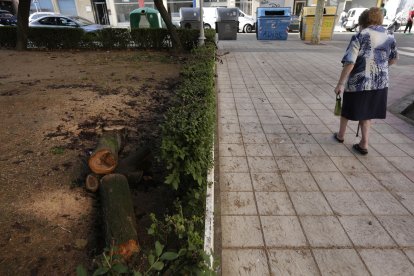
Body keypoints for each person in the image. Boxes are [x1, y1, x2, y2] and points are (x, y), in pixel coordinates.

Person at [334, 7, 398, 155]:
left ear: (362, 21)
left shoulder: (360, 36)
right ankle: (364, 143)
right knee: (367, 112)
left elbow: (350, 62)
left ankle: (341, 136)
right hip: (380, 83)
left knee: (347, 109)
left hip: (359, 82)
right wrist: (380, 68)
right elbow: (393, 59)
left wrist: (340, 84)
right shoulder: (390, 35)